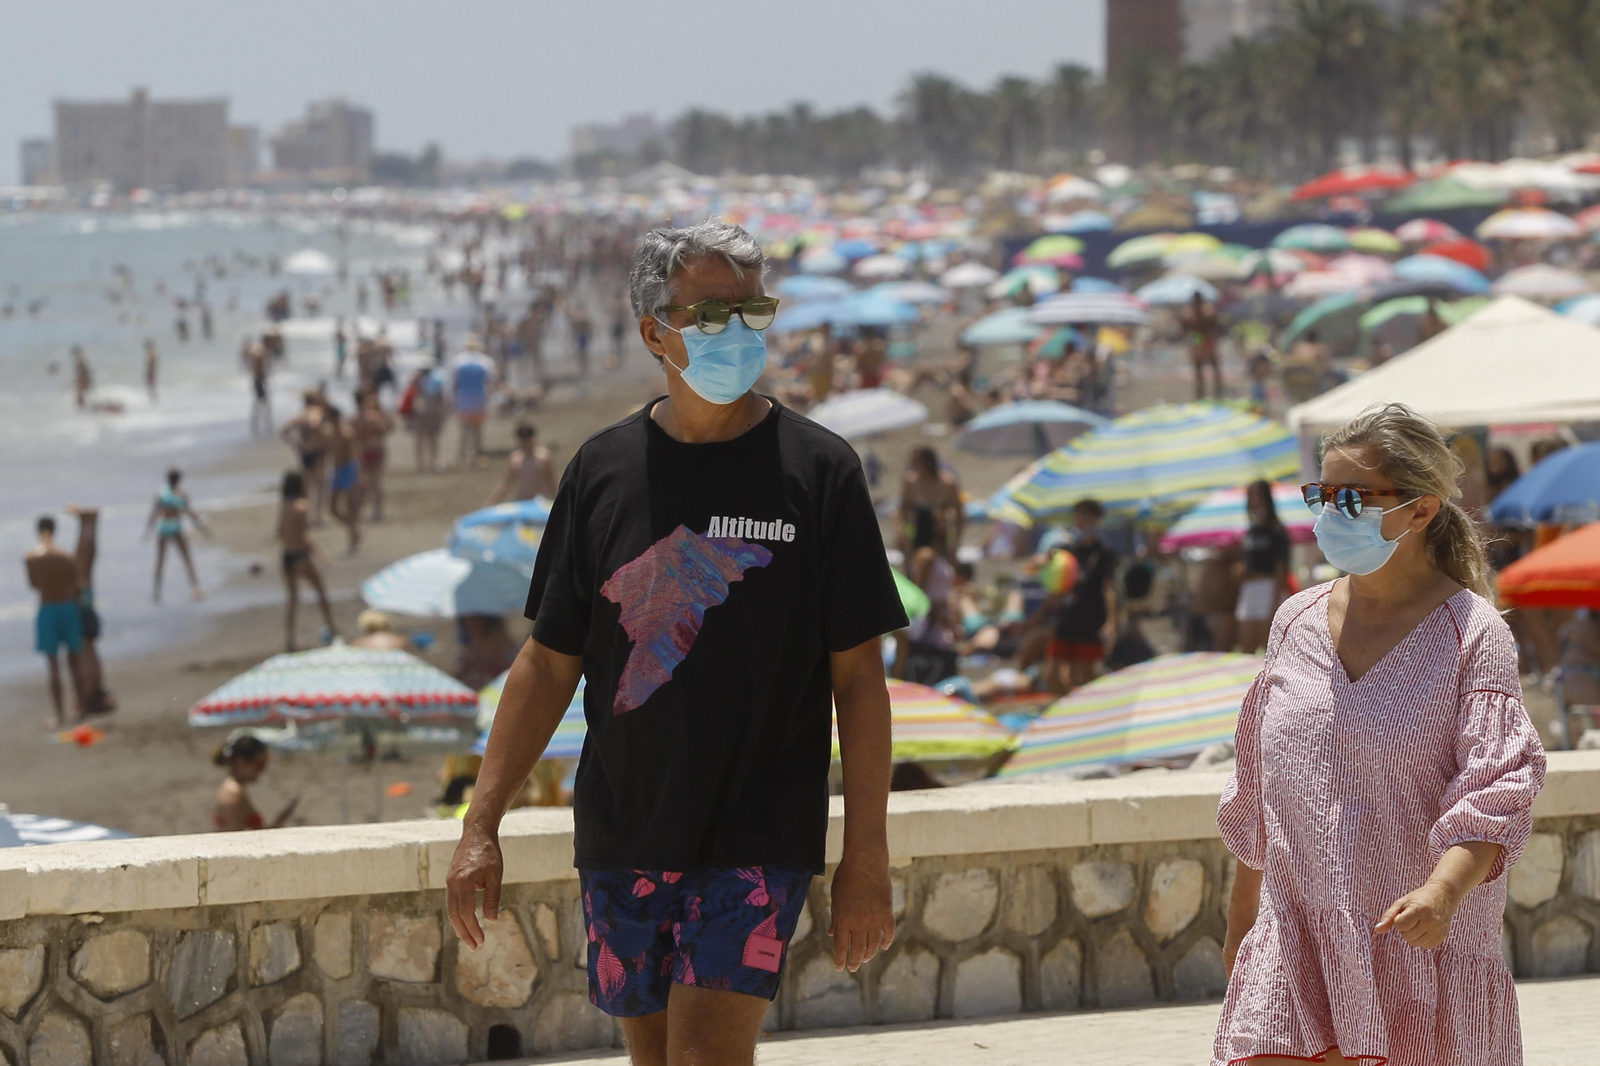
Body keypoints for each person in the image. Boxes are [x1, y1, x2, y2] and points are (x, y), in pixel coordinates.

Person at [447, 220, 904, 1065]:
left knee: (703, 1059)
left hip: (760, 834)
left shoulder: (821, 472)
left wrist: (864, 857)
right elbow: (548, 663)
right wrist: (482, 824)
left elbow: (860, 681)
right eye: (710, 313)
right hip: (626, 831)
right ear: (655, 330)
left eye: (751, 309)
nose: (737, 331)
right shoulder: (602, 472)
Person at [1215, 402, 1545, 1066]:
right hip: (1295, 948)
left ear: (1421, 510)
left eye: (1352, 497)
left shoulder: (1471, 634)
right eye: (1323, 494)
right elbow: (1259, 785)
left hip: (1416, 954)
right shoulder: (1294, 622)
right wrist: (1240, 924)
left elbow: (1497, 787)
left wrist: (1441, 894)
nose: (1330, 512)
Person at [1045, 498, 1118, 694]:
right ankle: (1070, 709)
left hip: (1091, 617)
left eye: (1086, 514)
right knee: (1052, 674)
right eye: (1079, 514)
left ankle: (1097, 706)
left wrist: (1111, 622)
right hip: (1068, 617)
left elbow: (1108, 588)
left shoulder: (1104, 553)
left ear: (1096, 519)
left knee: (1085, 675)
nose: (1081, 519)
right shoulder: (1069, 550)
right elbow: (1057, 580)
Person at [26, 516, 87, 727]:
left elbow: (34, 584)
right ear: (55, 530)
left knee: (53, 666)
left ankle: (60, 715)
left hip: (48, 609)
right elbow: (76, 584)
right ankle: (80, 708)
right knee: (74, 662)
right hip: (68, 608)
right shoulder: (67, 557)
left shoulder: (31, 558)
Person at [277, 470, 336, 651]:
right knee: (320, 591)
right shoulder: (302, 506)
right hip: (301, 556)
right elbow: (304, 535)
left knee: (293, 599)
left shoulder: (284, 506)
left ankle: (290, 638)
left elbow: (279, 533)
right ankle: (332, 629)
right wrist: (321, 553)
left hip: (286, 556)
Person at [65, 506, 114, 716]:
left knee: (82, 567)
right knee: (84, 566)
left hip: (82, 608)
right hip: (86, 606)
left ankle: (87, 525)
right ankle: (88, 525)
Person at [1235, 479, 1290, 654]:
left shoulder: (1276, 530)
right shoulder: (1250, 531)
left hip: (1269, 588)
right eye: (1251, 495)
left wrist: (1274, 604)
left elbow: (1282, 567)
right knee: (1246, 646)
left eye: (1258, 494)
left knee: (1269, 647)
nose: (1254, 499)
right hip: (1250, 588)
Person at [212, 734, 298, 832]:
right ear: (241, 761)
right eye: (259, 765)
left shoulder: (232, 788)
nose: (261, 771)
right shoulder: (234, 794)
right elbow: (236, 839)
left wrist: (281, 819)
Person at [146, 468, 207, 602]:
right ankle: (196, 588)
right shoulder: (181, 494)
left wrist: (148, 531)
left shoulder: (160, 494)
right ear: (179, 479)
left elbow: (153, 514)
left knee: (160, 561)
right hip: (175, 526)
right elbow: (190, 513)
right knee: (187, 559)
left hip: (163, 527)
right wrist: (202, 528)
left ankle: (156, 592)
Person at [898, 446, 963, 561]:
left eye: (917, 461)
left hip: (941, 530)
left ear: (928, 462)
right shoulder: (910, 482)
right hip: (918, 528)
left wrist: (955, 542)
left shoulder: (947, 483)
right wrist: (904, 536)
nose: (913, 465)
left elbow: (959, 513)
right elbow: (903, 510)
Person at [448, 334, 497, 467]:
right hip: (479, 398)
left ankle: (462, 457)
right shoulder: (486, 361)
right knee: (477, 430)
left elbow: (453, 384)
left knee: (464, 430)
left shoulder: (457, 361)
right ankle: (476, 456)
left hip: (463, 398)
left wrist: (453, 401)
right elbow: (491, 383)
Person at [281, 391, 328, 523]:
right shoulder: (315, 411)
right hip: (316, 453)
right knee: (320, 485)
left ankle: (305, 517)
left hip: (305, 452)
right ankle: (317, 516)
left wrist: (297, 445)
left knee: (306, 487)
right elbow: (314, 423)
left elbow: (284, 430)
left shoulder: (301, 415)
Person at [486, 423, 557, 504]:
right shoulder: (515, 459)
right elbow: (506, 483)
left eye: (527, 440)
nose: (525, 444)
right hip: (522, 501)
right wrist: (491, 502)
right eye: (523, 441)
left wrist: (557, 499)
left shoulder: (544, 456)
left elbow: (551, 482)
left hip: (540, 501)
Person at [323, 405, 362, 553]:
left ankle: (352, 536)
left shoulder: (347, 433)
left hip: (348, 469)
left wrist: (358, 476)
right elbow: (328, 452)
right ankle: (354, 530)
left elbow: (355, 454)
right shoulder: (329, 432)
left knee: (349, 507)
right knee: (332, 508)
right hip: (337, 470)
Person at [352, 389, 393, 522]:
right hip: (375, 449)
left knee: (361, 482)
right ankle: (377, 511)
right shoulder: (373, 416)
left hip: (360, 451)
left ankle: (357, 512)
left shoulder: (353, 419)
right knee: (376, 482)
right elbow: (386, 429)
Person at [401, 366, 447, 473]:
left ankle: (421, 464)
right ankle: (431, 463)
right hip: (431, 414)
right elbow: (441, 399)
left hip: (421, 416)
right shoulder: (436, 380)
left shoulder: (415, 380)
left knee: (421, 440)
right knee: (432, 440)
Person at [1182, 292, 1224, 400]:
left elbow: (1214, 325)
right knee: (1201, 368)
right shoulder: (1192, 313)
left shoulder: (1205, 311)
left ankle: (1217, 391)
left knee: (1213, 367)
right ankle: (1201, 394)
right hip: (1198, 338)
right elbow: (1186, 329)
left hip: (1206, 338)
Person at [247, 342, 272, 436]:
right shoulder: (260, 353)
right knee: (262, 402)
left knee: (260, 401)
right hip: (259, 381)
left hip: (258, 380)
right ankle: (259, 421)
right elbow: (258, 369)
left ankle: (257, 421)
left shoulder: (259, 352)